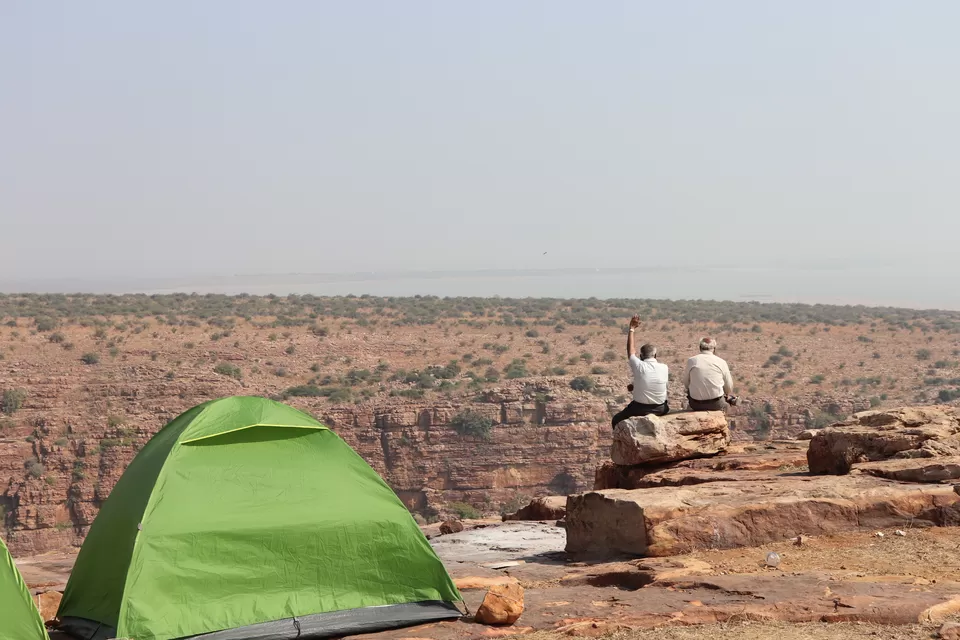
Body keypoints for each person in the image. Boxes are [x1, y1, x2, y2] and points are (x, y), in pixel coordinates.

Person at [611, 314, 669, 427]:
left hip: (640, 409)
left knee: (616, 420)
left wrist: (631, 329)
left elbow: (630, 350)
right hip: (660, 409)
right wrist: (635, 385)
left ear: (641, 356)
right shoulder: (664, 368)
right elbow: (653, 381)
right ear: (655, 355)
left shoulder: (639, 366)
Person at [682, 337, 737, 411]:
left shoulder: (691, 361)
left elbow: (686, 383)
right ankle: (730, 399)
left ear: (700, 348)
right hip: (716, 404)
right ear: (714, 349)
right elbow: (729, 387)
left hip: (695, 404)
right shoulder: (721, 362)